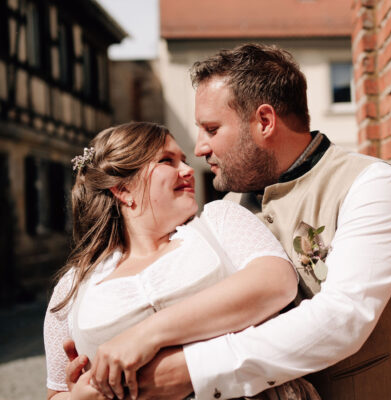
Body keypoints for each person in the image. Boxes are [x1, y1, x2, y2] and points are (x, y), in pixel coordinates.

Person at [65, 44, 391, 399]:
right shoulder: (225, 211)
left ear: (264, 121)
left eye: (212, 129)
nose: (199, 149)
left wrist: (188, 371)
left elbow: (343, 319)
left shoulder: (369, 185)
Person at [43, 121, 321, 400]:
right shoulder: (73, 287)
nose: (188, 171)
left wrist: (146, 335)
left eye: (184, 161)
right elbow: (56, 393)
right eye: (167, 161)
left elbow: (276, 283)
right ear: (123, 189)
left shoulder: (220, 222)